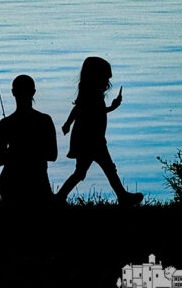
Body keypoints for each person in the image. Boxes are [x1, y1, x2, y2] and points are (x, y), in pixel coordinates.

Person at [56, 57, 143, 205]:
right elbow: (80, 110)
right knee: (83, 172)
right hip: (90, 140)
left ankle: (122, 196)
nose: (108, 82)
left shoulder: (91, 93)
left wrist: (112, 107)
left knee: (106, 169)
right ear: (96, 76)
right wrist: (68, 123)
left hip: (94, 139)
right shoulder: (91, 95)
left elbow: (94, 112)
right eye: (106, 77)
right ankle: (59, 197)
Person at [0, 74, 57, 208]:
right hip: (38, 181)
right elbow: (53, 155)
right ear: (33, 92)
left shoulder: (5, 123)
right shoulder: (45, 120)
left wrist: (15, 152)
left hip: (10, 181)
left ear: (13, 92)